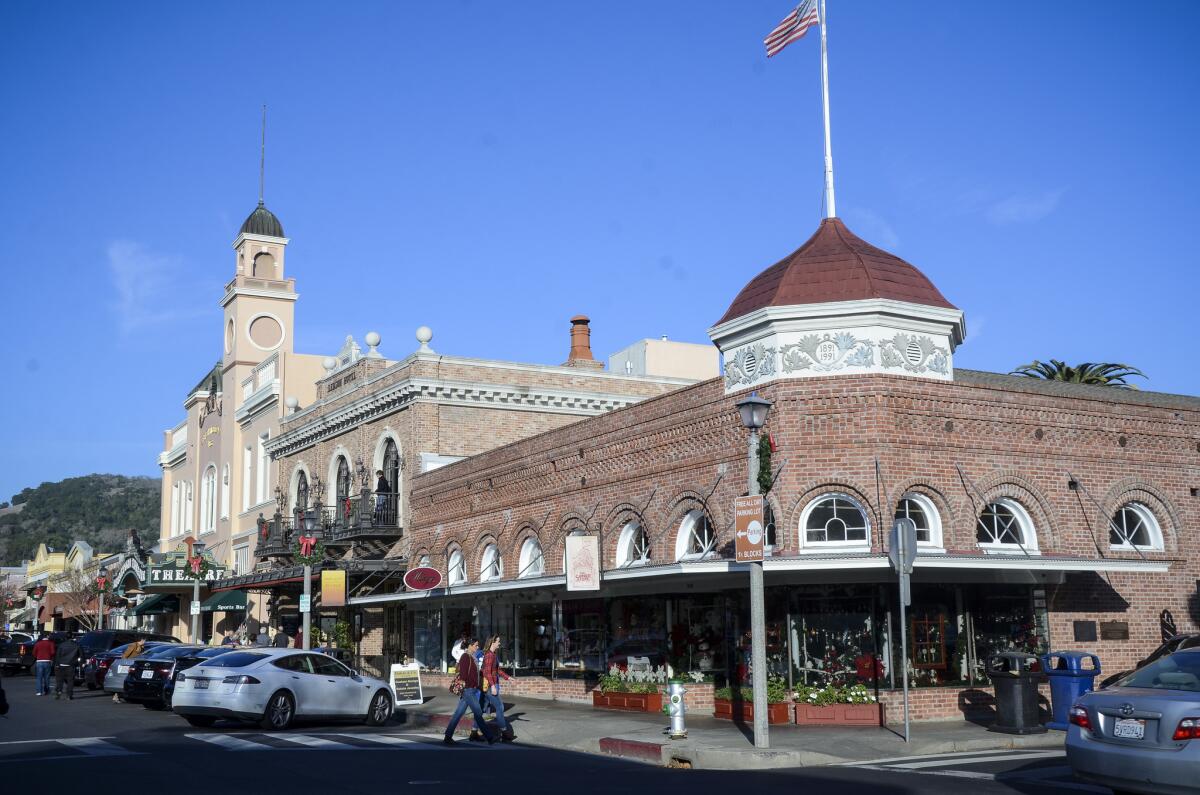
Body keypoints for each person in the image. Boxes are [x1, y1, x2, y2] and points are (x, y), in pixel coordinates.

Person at [442, 637, 496, 746]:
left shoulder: (472, 657)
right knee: (478, 712)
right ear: (470, 646)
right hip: (468, 690)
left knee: (458, 713)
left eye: (477, 645)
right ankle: (490, 737)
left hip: (471, 689)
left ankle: (448, 736)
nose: (477, 647)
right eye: (475, 645)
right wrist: (470, 683)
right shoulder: (465, 657)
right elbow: (463, 675)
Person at [480, 635, 514, 742]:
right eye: (498, 641)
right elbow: (487, 672)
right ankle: (504, 732)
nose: (500, 643)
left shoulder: (492, 655)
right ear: (492, 642)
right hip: (490, 686)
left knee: (481, 709)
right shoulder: (490, 655)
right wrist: (493, 686)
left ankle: (473, 731)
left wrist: (508, 678)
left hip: (488, 685)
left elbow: (497, 670)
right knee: (499, 707)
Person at [53, 634, 80, 700]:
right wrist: (80, 662)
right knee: (70, 681)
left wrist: (56, 664)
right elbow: (80, 655)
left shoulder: (61, 645)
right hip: (71, 665)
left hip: (61, 665)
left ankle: (58, 692)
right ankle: (69, 695)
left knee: (59, 680)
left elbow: (57, 656)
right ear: (73, 637)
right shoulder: (76, 645)